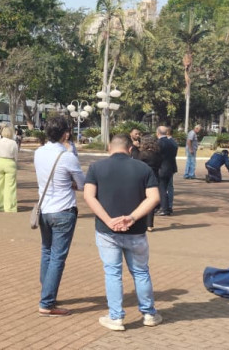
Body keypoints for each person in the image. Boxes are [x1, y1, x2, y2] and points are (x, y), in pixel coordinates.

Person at [83, 134, 162, 331]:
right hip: (135, 230)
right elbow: (154, 198)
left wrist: (108, 220)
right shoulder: (143, 168)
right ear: (130, 149)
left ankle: (116, 316)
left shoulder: (96, 168)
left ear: (109, 147)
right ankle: (149, 313)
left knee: (113, 273)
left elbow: (89, 196)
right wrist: (132, 217)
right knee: (141, 271)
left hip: (106, 230)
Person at [34, 116, 85, 317]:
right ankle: (47, 302)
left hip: (44, 210)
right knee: (57, 257)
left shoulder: (38, 152)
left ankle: (47, 292)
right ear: (66, 134)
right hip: (63, 211)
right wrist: (70, 183)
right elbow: (81, 184)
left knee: (47, 251)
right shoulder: (67, 156)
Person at [0, 126, 19, 212]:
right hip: (10, 163)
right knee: (10, 187)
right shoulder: (13, 143)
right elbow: (16, 155)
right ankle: (9, 207)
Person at [137, 135, 162, 231]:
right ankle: (150, 224)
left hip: (143, 177)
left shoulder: (143, 154)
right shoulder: (158, 154)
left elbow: (137, 164)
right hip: (155, 177)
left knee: (140, 199)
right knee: (150, 201)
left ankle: (140, 221)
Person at [156, 126, 178, 216]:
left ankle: (164, 208)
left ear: (157, 132)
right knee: (168, 188)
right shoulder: (172, 142)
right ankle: (168, 207)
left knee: (162, 189)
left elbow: (156, 156)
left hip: (161, 168)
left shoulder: (159, 143)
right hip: (171, 167)